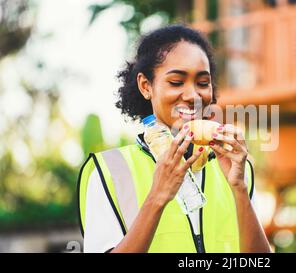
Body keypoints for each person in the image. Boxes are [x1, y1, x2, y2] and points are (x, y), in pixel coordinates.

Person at [77, 24, 271, 253]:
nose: (193, 96)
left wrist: (239, 189)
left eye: (202, 83)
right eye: (176, 82)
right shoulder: (109, 170)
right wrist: (157, 197)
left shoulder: (238, 168)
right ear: (146, 86)